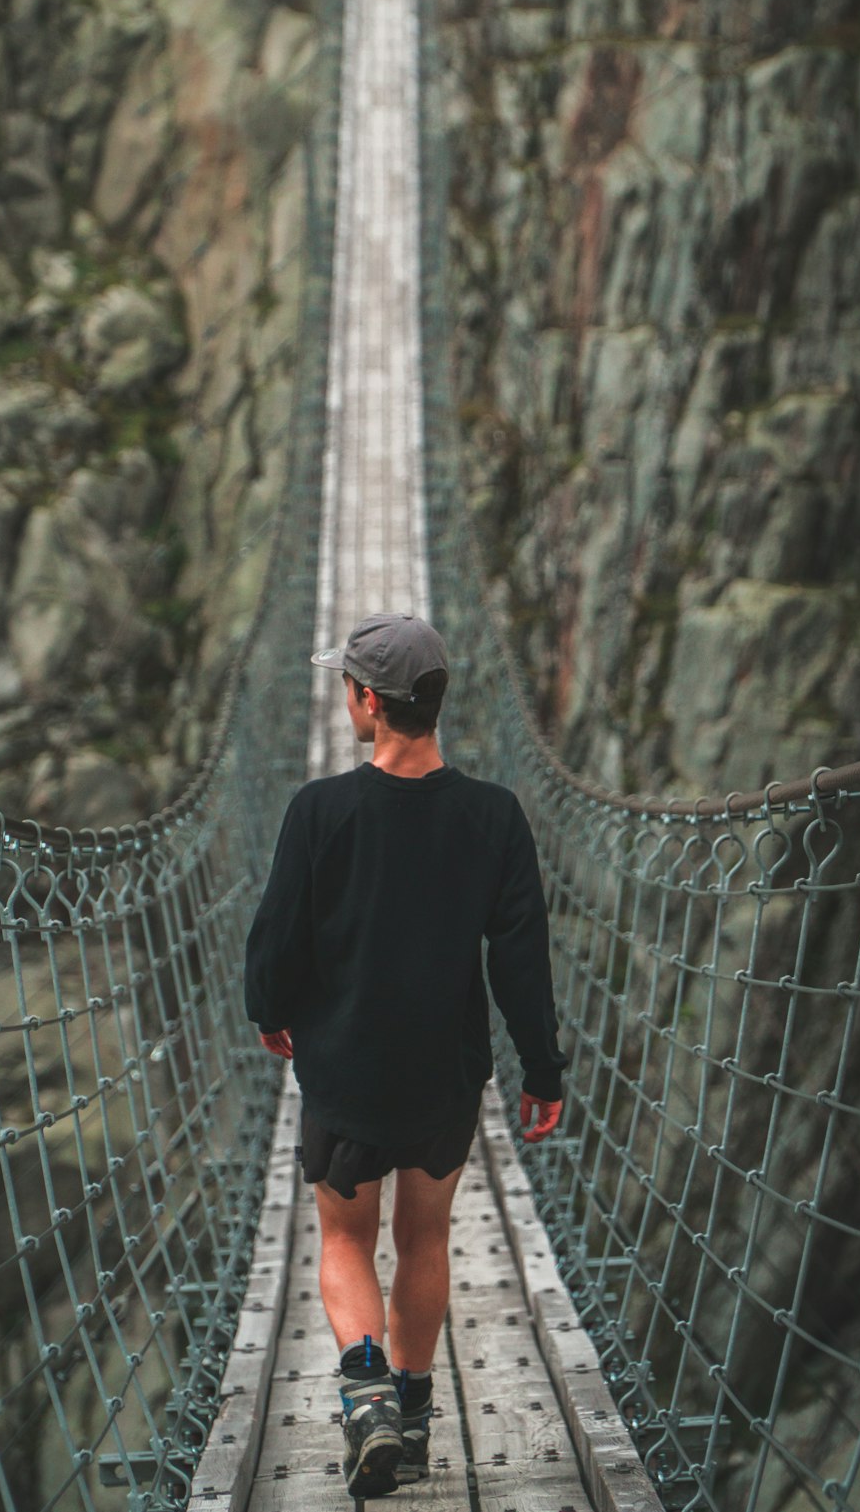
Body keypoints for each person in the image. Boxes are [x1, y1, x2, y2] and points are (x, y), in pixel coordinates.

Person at [244, 612, 565, 1499]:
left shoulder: (318, 811)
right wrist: (544, 1069)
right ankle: (415, 1418)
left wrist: (268, 1011)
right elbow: (521, 960)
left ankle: (365, 1393)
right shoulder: (495, 817)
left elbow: (275, 941)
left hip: (344, 1071)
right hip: (442, 1077)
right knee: (425, 1235)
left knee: (345, 1237)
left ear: (366, 700)